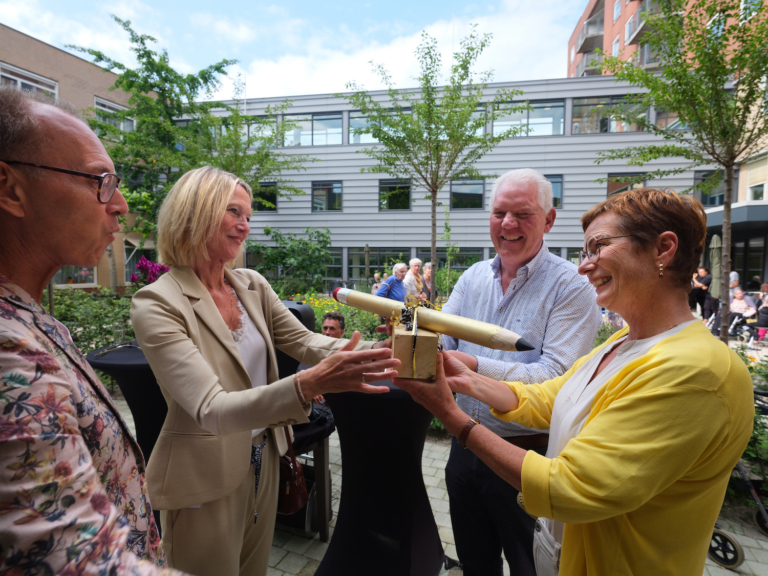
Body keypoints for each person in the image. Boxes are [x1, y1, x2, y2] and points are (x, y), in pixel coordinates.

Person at [395, 187, 753, 576]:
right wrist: (467, 379)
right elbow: (556, 396)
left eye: (599, 246)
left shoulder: (697, 372)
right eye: (586, 252)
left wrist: (449, 414)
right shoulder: (626, 340)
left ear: (663, 249)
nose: (586, 266)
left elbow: (568, 488)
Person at [130, 167, 399, 576]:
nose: (245, 226)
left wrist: (380, 351)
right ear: (196, 211)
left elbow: (307, 342)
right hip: (204, 474)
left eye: (249, 216)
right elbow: (212, 409)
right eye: (234, 212)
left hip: (266, 457)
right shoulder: (157, 303)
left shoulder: (250, 284)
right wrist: (308, 384)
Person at [0, 86, 181, 574]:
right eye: (100, 181)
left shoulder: (34, 321)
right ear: (9, 188)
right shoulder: (9, 351)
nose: (119, 204)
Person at [439, 169, 601, 576]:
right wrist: (407, 331)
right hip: (463, 445)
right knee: (475, 561)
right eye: (499, 213)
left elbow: (554, 376)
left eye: (522, 214)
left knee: (530, 565)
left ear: (549, 220)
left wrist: (473, 365)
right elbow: (441, 337)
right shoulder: (473, 275)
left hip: (526, 455)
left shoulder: (572, 286)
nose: (507, 224)